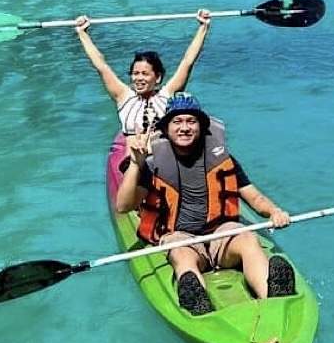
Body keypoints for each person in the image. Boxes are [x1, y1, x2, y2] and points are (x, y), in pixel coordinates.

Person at [114, 93, 294, 316]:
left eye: (191, 121)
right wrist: (135, 163)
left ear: (201, 126)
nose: (184, 127)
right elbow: (123, 206)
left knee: (247, 238)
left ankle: (273, 294)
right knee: (181, 254)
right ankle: (197, 299)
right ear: (167, 128)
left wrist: (274, 211)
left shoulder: (221, 158)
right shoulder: (153, 164)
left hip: (221, 232)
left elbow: (254, 198)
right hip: (179, 235)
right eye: (177, 122)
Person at [75, 9, 211, 147]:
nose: (138, 78)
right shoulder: (123, 96)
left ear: (157, 78)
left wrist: (203, 26)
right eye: (135, 73)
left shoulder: (167, 95)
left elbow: (187, 62)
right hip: (133, 157)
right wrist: (82, 33)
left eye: (145, 74)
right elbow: (101, 66)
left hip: (162, 154)